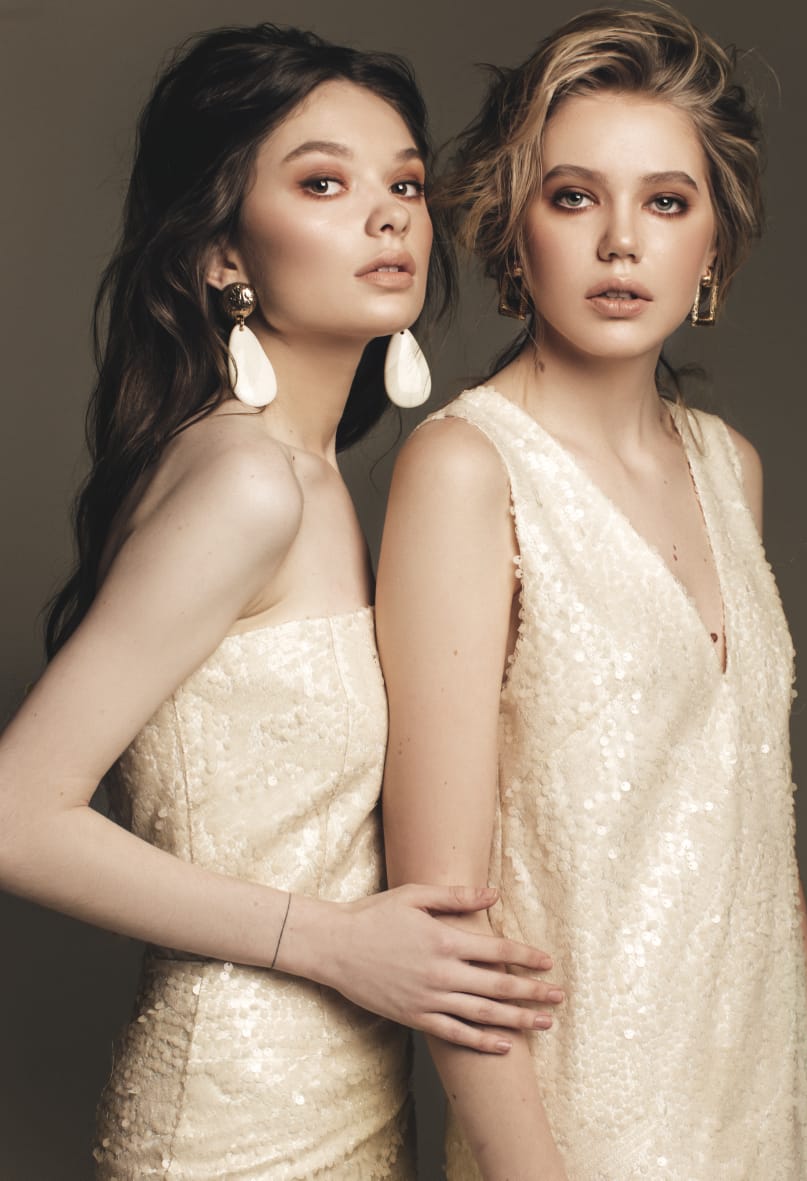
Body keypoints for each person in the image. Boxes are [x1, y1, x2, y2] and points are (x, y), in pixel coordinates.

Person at [0, 24, 563, 1180]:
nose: (389, 216)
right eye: (323, 183)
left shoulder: (307, 477)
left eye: (404, 183)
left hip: (342, 1103)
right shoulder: (247, 484)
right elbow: (15, 817)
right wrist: (336, 945)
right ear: (221, 254)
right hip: (233, 1123)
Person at [376, 6, 807, 1179]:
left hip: (757, 1111)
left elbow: (753, 812)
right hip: (582, 1128)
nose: (620, 243)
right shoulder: (466, 469)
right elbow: (445, 911)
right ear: (516, 231)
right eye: (573, 197)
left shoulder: (729, 466)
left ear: (715, 243)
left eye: (666, 201)